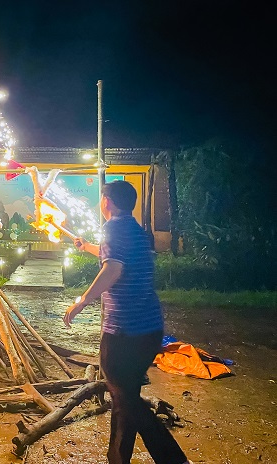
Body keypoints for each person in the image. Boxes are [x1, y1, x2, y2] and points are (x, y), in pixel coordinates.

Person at [64, 180, 192, 464]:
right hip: (149, 328)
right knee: (125, 397)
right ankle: (118, 458)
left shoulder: (112, 227)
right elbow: (118, 257)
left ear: (107, 201)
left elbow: (113, 268)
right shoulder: (134, 230)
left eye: (101, 198)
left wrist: (82, 301)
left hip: (125, 330)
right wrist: (86, 247)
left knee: (125, 398)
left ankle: (174, 459)